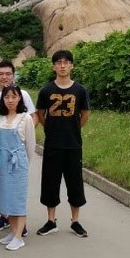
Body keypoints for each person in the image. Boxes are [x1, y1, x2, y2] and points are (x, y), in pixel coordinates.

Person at [35, 49, 91, 238]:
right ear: (53, 67)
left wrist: (73, 128)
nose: (62, 66)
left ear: (72, 65)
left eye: (66, 62)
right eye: (58, 62)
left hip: (73, 144)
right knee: (50, 182)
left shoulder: (80, 90)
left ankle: (75, 221)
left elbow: (85, 115)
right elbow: (40, 114)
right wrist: (51, 128)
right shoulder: (46, 90)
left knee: (75, 182)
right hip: (53, 144)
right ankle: (51, 221)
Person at [0, 60, 37, 233]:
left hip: (15, 149)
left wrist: (21, 131)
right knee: (1, 188)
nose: (4, 77)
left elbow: (33, 116)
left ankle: (19, 226)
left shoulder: (22, 94)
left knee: (16, 190)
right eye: (1, 74)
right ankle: (6, 217)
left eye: (8, 74)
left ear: (13, 75)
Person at [0, 84, 36, 251]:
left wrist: (25, 164)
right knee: (6, 198)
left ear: (19, 98)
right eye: (7, 97)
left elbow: (30, 146)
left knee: (18, 200)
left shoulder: (25, 118)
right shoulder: (0, 118)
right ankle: (12, 231)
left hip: (18, 164)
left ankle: (19, 236)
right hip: (2, 163)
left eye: (14, 96)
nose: (10, 100)